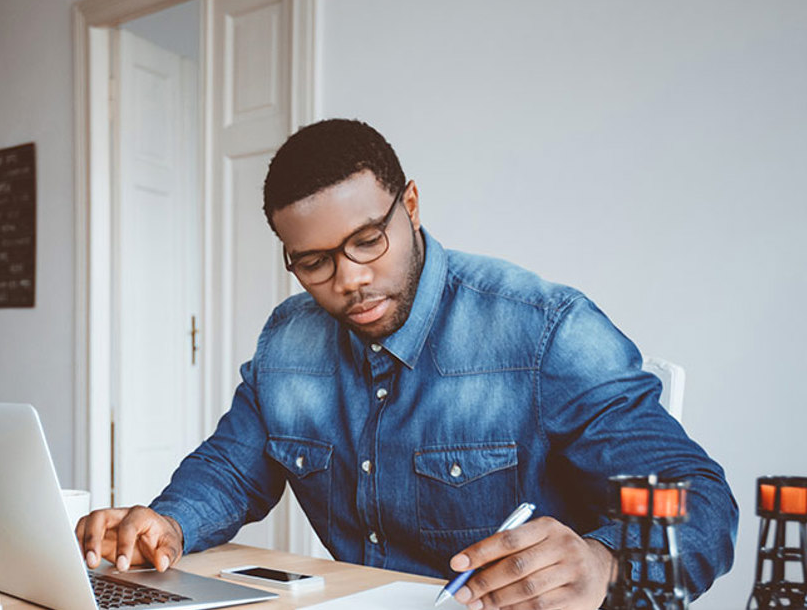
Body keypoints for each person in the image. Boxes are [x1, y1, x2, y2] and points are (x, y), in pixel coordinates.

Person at [76, 119, 737, 609]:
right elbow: (231, 467)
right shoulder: (288, 340)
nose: (351, 279)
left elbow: (702, 501)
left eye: (368, 241)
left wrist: (603, 562)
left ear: (411, 207)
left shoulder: (543, 328)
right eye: (314, 263)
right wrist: (168, 522)